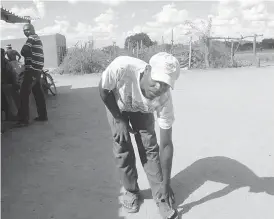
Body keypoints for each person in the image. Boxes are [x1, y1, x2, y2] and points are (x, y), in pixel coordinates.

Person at [99, 52, 180, 219]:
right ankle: (131, 191)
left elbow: (165, 145)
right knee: (122, 147)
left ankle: (160, 196)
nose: (159, 88)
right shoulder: (122, 67)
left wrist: (166, 184)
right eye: (157, 81)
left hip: (142, 110)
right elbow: (103, 90)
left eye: (165, 84)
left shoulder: (163, 99)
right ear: (148, 69)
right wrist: (119, 119)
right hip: (117, 104)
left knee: (149, 146)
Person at [16, 23, 48, 127]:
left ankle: (23, 120)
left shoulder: (31, 38)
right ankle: (43, 116)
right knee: (38, 93)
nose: (26, 32)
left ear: (33, 29)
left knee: (23, 94)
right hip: (37, 70)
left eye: (28, 29)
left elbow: (23, 51)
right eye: (24, 30)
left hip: (32, 70)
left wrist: (27, 55)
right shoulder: (37, 38)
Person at [1, 48, 20, 120]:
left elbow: (11, 74)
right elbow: (13, 73)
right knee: (11, 101)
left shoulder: (4, 62)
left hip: (6, 84)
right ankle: (14, 115)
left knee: (10, 101)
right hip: (9, 83)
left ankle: (13, 115)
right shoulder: (6, 61)